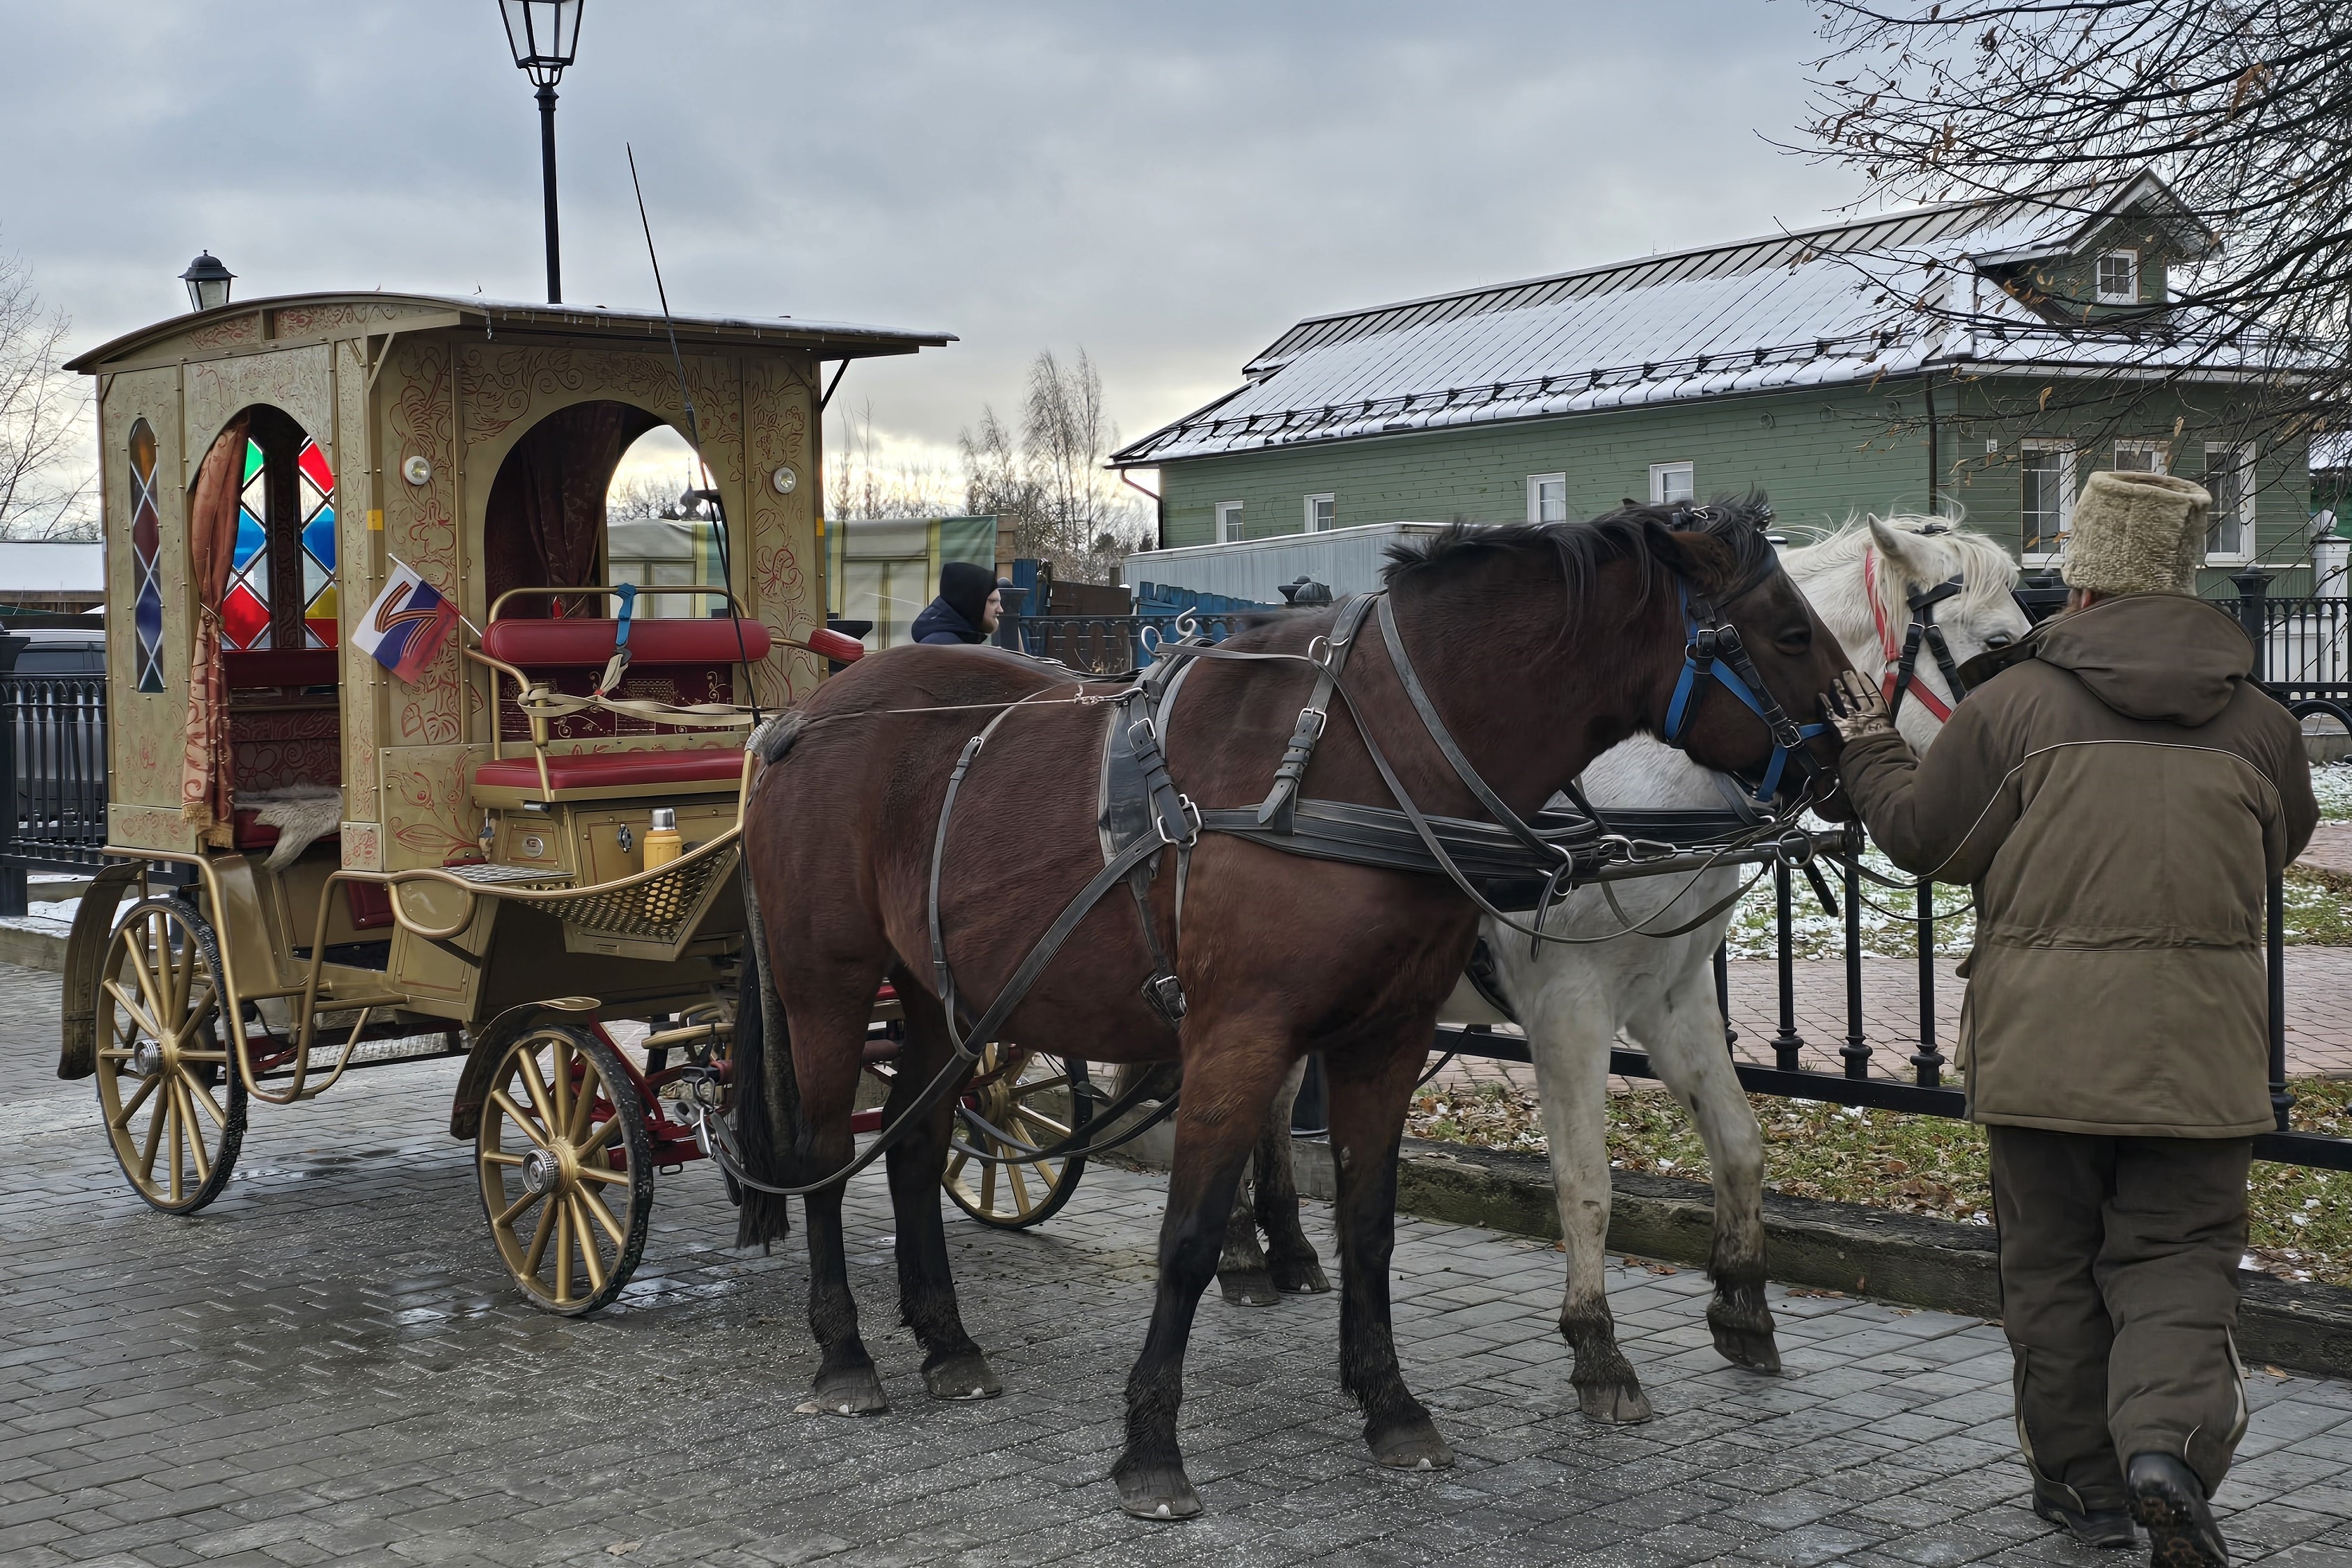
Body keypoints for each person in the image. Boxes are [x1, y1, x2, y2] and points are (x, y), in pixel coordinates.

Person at [1819, 470, 2314, 1568]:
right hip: (2200, 1052)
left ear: (2077, 588)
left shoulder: (2012, 707)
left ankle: (2081, 1493)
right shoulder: (2264, 726)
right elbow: (2274, 854)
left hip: (2041, 1053)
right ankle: (2166, 1454)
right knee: (2180, 1255)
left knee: (2049, 1267)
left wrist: (1867, 749)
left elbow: (1932, 846)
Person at [911, 560, 1003, 645]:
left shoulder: (953, 643)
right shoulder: (943, 647)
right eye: (993, 601)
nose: (1000, 610)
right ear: (970, 602)